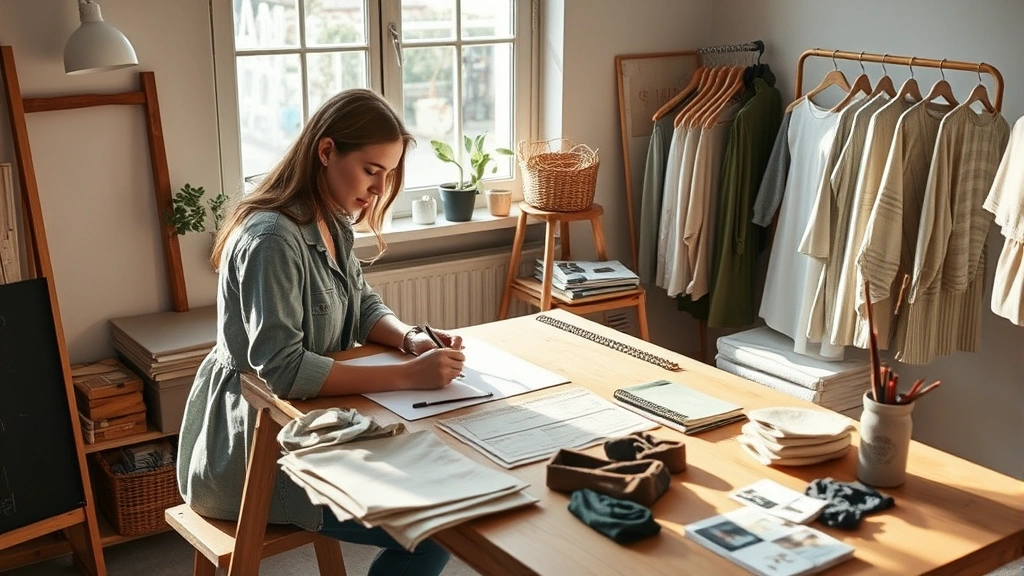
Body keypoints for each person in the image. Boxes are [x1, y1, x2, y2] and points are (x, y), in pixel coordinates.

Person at [176, 88, 465, 576]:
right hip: (255, 457)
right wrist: (408, 376)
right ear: (326, 151)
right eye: (372, 170)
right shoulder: (271, 239)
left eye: (388, 175)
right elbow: (285, 371)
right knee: (438, 527)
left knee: (449, 493)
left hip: (310, 429)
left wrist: (409, 338)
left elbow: (362, 302)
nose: (378, 188)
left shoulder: (330, 217)